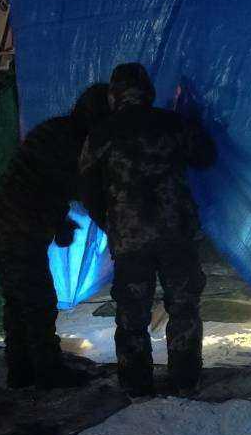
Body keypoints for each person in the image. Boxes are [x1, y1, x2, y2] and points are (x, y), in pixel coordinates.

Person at [79, 63, 217, 396]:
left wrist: (111, 220)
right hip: (175, 233)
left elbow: (85, 186)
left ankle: (137, 384)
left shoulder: (102, 133)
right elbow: (206, 156)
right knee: (183, 308)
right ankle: (186, 380)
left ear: (114, 95)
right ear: (148, 91)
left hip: (131, 238)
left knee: (132, 312)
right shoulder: (172, 124)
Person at [0, 82, 111, 389]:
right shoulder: (73, 142)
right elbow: (84, 191)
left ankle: (21, 369)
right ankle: (47, 371)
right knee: (38, 300)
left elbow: (46, 185)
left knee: (18, 298)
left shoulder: (57, 130)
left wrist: (60, 223)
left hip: (5, 218)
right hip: (17, 224)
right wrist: (116, 229)